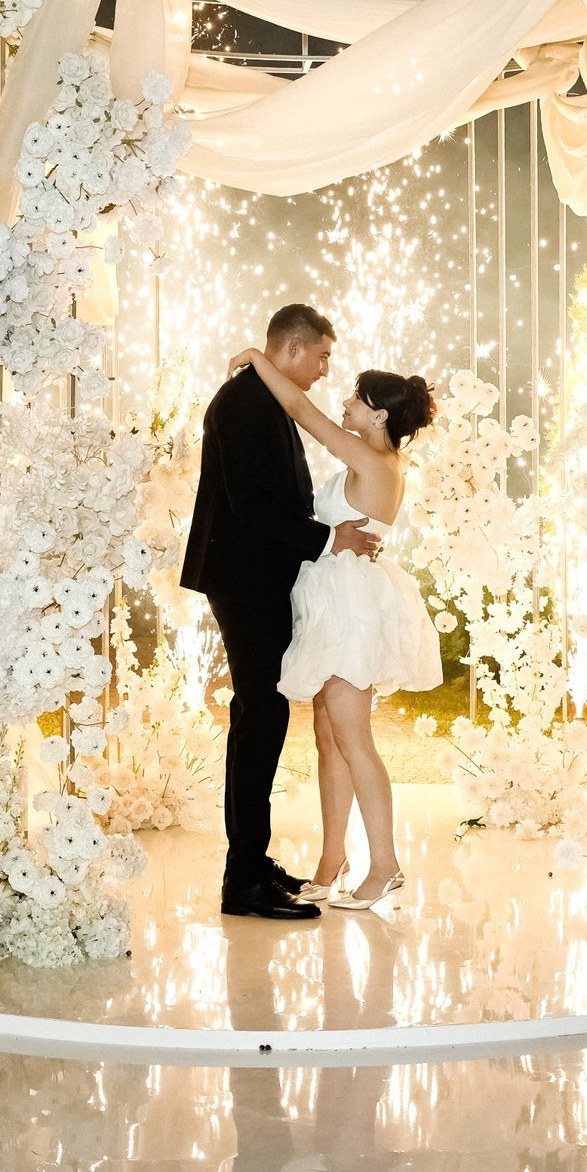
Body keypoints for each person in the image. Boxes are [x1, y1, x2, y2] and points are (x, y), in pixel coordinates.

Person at [180, 304, 382, 921]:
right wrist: (328, 541)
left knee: (261, 715)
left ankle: (252, 860)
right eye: (321, 356)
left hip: (257, 578)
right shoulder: (245, 404)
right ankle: (242, 877)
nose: (325, 369)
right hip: (245, 580)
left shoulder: (260, 397)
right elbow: (250, 508)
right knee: (259, 715)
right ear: (293, 350)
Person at [227, 346, 439, 910]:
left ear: (379, 417)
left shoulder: (371, 460)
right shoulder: (367, 459)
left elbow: (301, 409)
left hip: (351, 610)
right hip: (333, 602)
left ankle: (385, 866)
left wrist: (255, 357)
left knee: (353, 739)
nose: (343, 402)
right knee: (327, 736)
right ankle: (331, 860)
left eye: (357, 398)